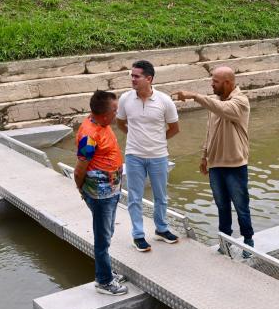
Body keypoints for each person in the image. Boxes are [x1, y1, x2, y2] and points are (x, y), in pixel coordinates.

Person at [173, 66, 253, 249]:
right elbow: (210, 130)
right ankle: (225, 243)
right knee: (222, 207)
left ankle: (248, 242)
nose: (212, 84)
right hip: (215, 165)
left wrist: (195, 96)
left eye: (215, 81)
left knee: (241, 208)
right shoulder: (214, 101)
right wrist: (204, 156)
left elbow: (224, 109)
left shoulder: (241, 102)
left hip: (235, 165)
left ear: (228, 83)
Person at [116, 60, 180, 253]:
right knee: (135, 197)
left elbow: (175, 128)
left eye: (137, 76)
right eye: (132, 75)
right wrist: (135, 138)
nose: (132, 79)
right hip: (134, 155)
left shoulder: (164, 101)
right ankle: (138, 235)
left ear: (149, 79)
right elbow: (120, 123)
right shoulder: (125, 99)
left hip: (159, 156)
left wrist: (157, 141)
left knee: (161, 196)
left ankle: (161, 229)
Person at [75, 90, 128, 296]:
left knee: (107, 233)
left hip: (111, 191)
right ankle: (104, 281)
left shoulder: (103, 125)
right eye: (115, 110)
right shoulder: (89, 135)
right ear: (104, 114)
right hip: (100, 195)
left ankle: (106, 271)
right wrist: (82, 188)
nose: (117, 113)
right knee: (102, 238)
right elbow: (80, 168)